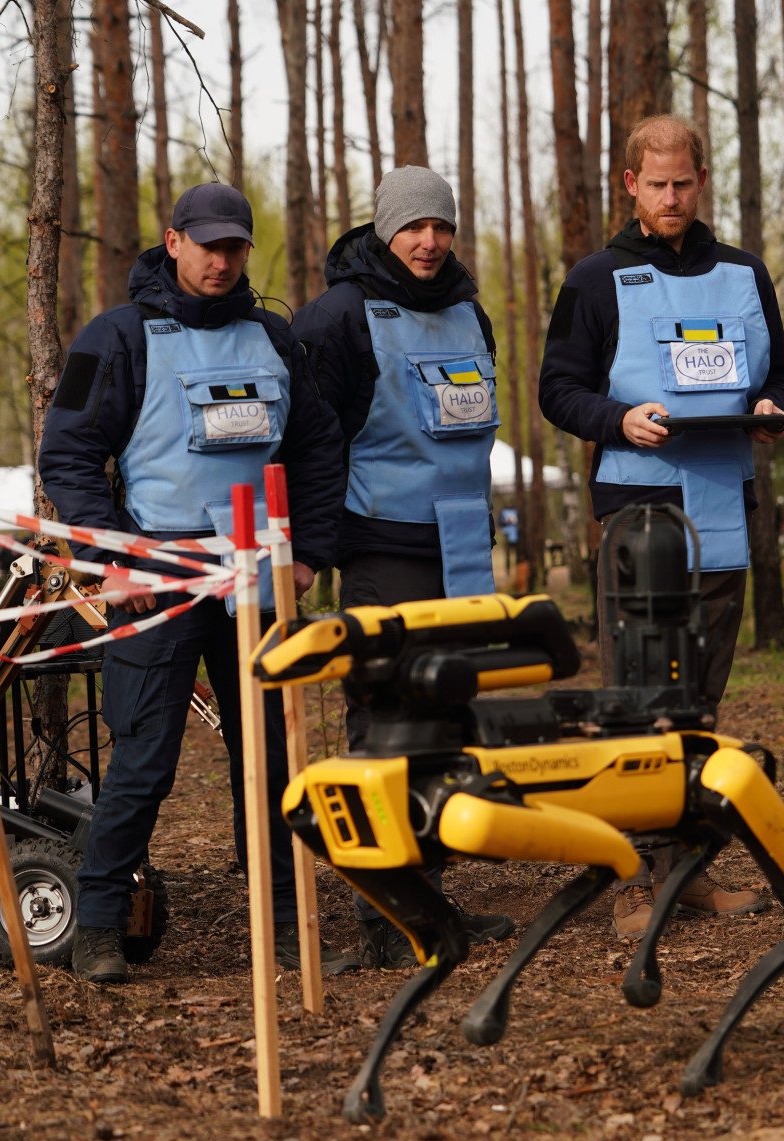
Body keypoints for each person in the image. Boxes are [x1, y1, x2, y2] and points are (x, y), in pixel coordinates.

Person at [39, 183, 346, 983]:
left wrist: (307, 551)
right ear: (172, 243)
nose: (221, 260)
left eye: (235, 247)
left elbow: (317, 447)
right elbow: (66, 455)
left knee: (273, 759)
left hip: (256, 575)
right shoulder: (112, 338)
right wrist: (113, 558)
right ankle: (98, 928)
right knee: (145, 759)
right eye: (207, 244)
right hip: (160, 573)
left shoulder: (275, 338)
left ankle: (285, 930)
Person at [538, 113, 784, 939]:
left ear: (701, 181)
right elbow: (558, 389)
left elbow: (782, 372)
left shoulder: (746, 273)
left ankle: (686, 869)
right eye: (657, 184)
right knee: (636, 698)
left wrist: (771, 408)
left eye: (685, 182)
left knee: (699, 699)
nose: (673, 197)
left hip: (723, 502)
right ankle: (627, 880)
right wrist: (619, 419)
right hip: (638, 514)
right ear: (630, 186)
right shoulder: (596, 277)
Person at [290, 165, 515, 971]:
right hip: (382, 545)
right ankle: (383, 913)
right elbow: (314, 444)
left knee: (448, 723)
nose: (429, 241)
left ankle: (433, 896)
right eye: (414, 227)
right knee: (386, 726)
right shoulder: (340, 318)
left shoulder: (469, 313)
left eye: (441, 227)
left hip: (459, 547)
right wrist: (311, 546)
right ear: (385, 230)